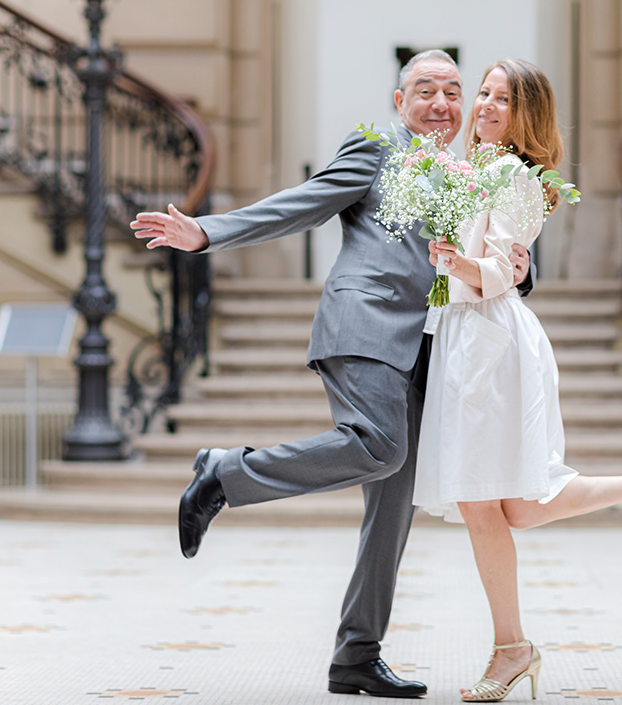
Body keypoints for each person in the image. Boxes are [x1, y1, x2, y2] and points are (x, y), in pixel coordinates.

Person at [129, 50, 534, 698]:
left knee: (393, 502)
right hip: (366, 322)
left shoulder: (464, 173)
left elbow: (482, 252)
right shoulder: (378, 149)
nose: (442, 102)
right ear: (399, 103)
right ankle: (224, 473)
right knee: (379, 444)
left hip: (425, 348)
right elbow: (305, 203)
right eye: (425, 90)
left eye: (454, 92)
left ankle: (356, 654)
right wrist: (206, 232)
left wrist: (517, 267)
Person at [417, 59, 622, 702]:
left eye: (503, 100)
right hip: (467, 336)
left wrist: (452, 261)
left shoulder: (510, 176)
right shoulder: (468, 172)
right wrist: (446, 271)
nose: (485, 106)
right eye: (485, 93)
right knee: (517, 507)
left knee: (483, 505)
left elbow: (500, 274)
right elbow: (475, 274)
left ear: (526, 115)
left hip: (490, 343)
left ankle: (510, 648)